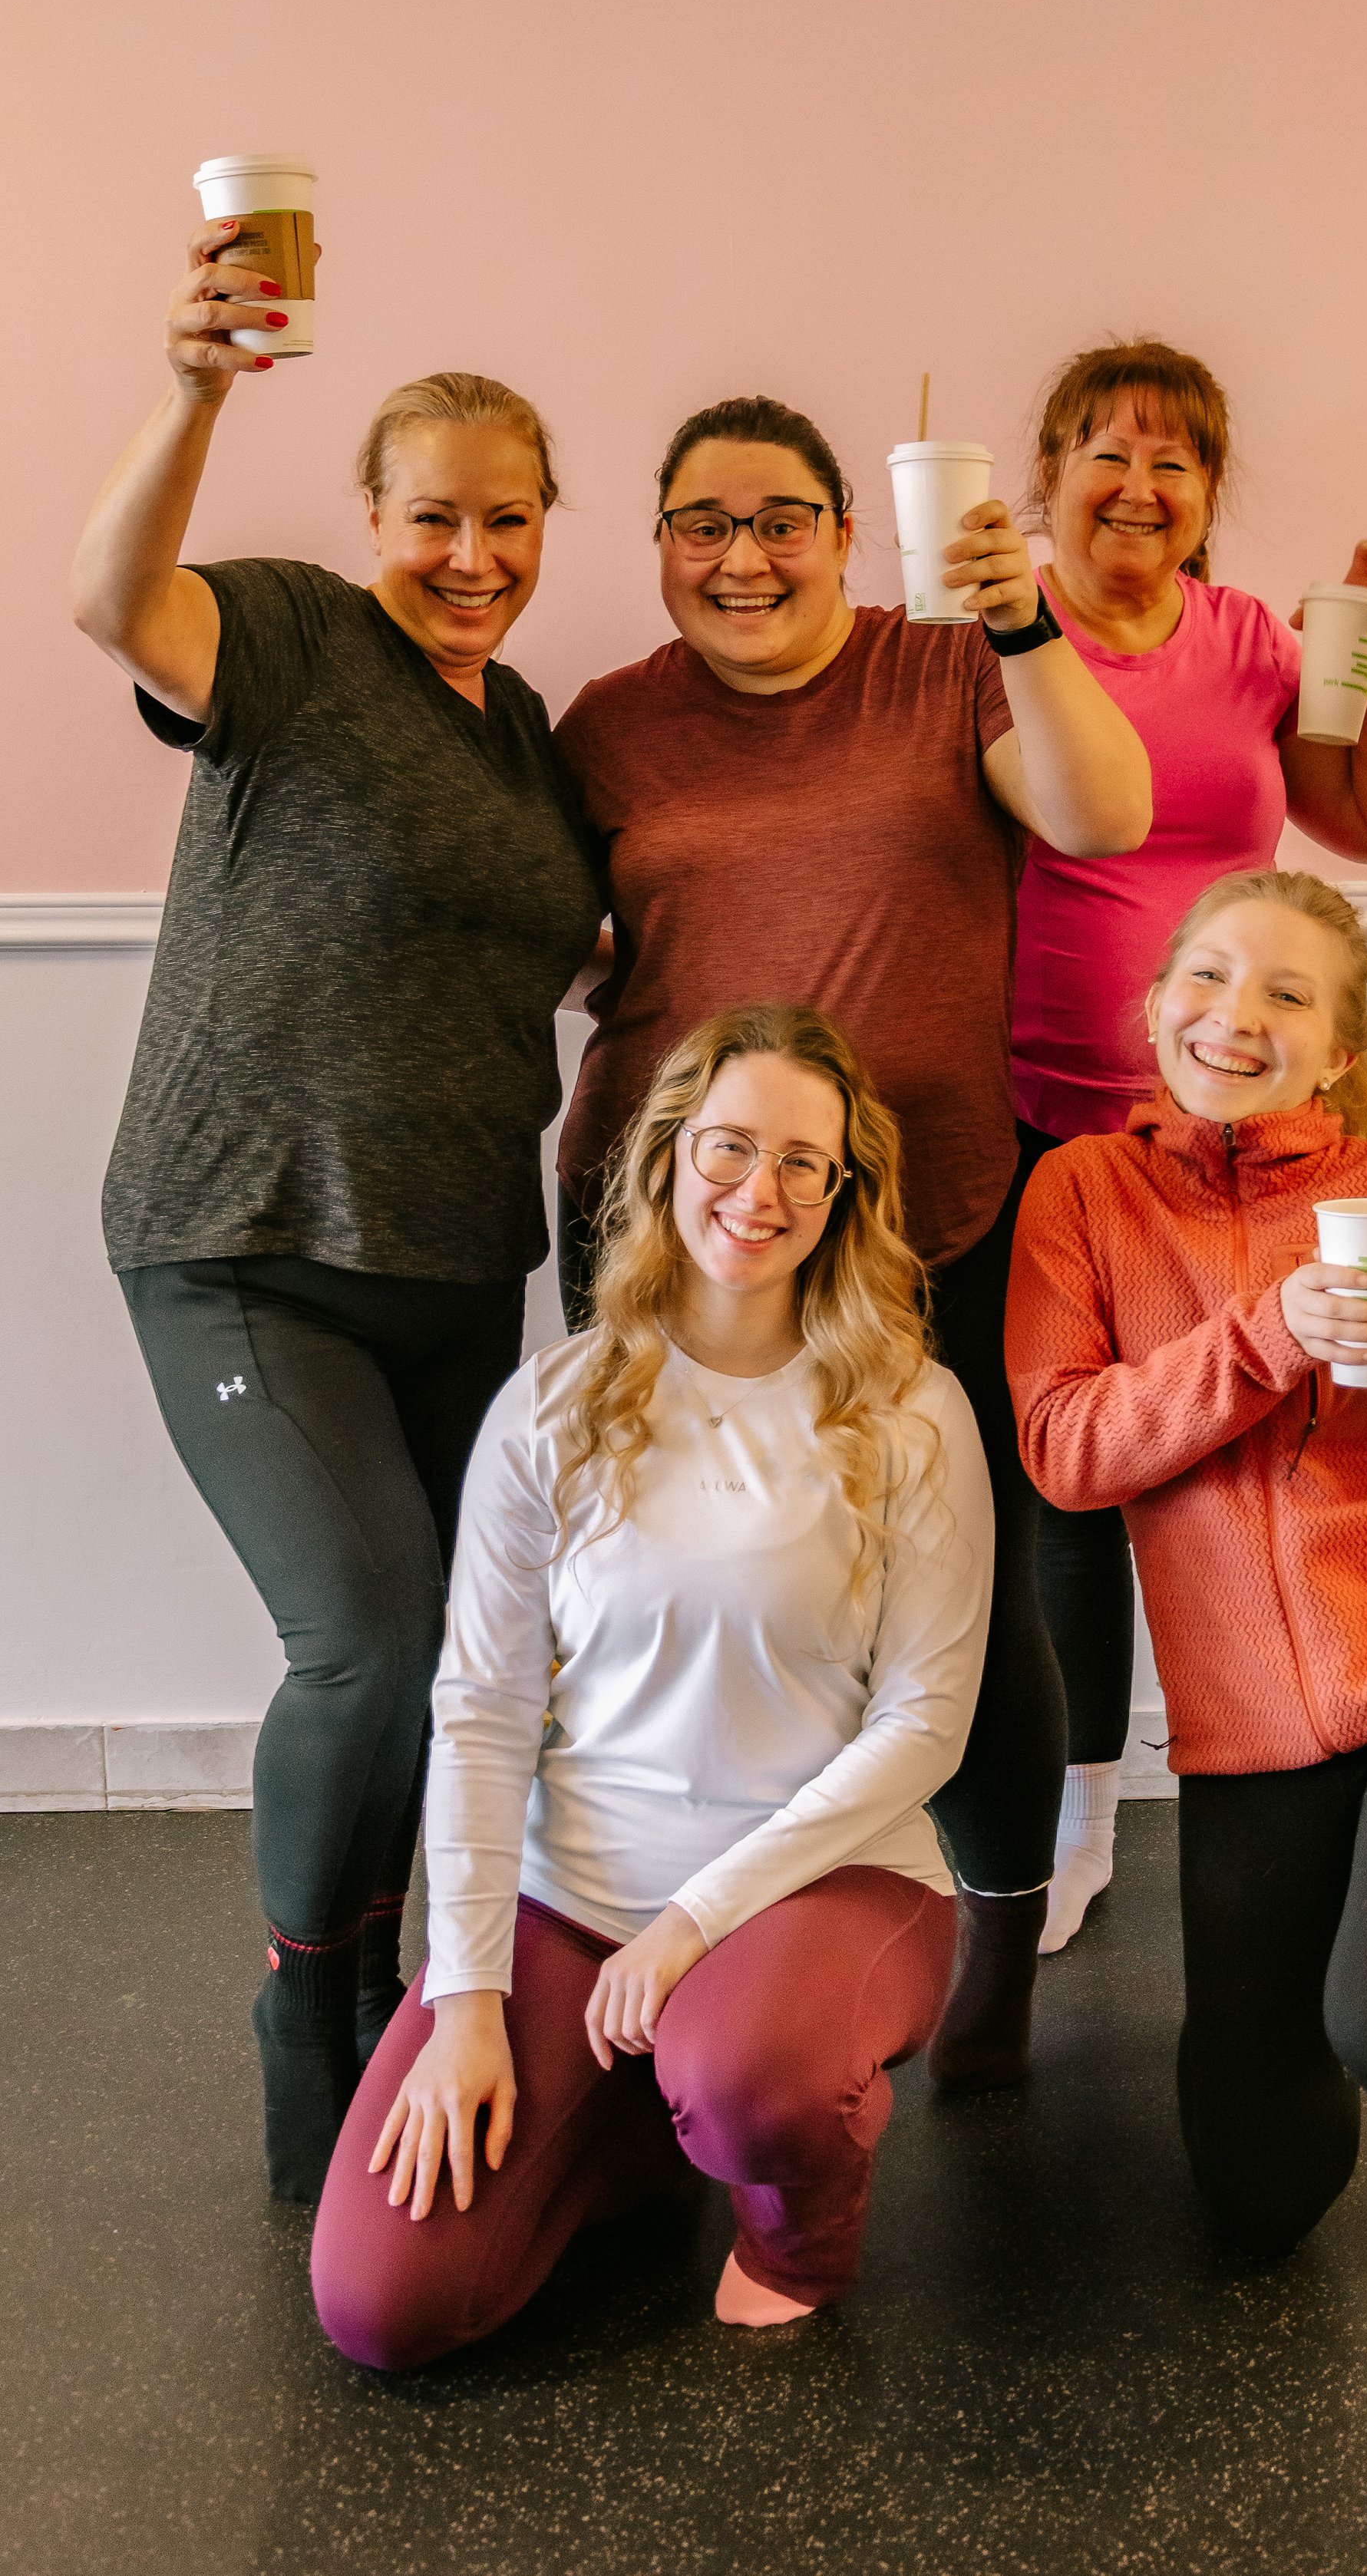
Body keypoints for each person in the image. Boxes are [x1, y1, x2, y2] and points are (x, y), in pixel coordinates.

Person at [68, 223, 606, 2198]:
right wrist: (199, 382)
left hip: (461, 1260)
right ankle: (312, 1990)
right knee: (368, 1640)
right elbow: (108, 594)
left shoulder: (526, 728)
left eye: (507, 523)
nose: (471, 558)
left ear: (547, 525)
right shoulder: (292, 635)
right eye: (433, 520)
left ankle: (421, 1982)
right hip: (244, 1244)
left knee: (480, 1652)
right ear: (371, 514)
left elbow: (560, 947)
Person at [551, 394, 1151, 2091]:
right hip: (670, 1238)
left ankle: (996, 1957)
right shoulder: (605, 728)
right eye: (701, 526)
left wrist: (1022, 614)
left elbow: (1100, 815)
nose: (741, 559)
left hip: (924, 1218)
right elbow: (550, 933)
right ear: (660, 544)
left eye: (780, 520)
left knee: (972, 1605)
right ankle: (673, 1937)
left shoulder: (945, 663)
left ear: (843, 528)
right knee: (669, 1596)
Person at [309, 1005, 992, 2364]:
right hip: (576, 1896)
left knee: (752, 2081)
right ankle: (646, 2119)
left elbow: (928, 1723)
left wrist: (691, 1923)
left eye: (809, 1162)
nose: (764, 1191)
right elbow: (485, 1712)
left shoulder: (914, 1409)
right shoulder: (552, 1405)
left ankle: (789, 2222)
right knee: (384, 2305)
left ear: (846, 1195)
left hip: (825, 1881)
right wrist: (463, 2000)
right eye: (730, 1147)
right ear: (669, 1157)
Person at [1007, 869, 1367, 2273]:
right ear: (1154, 1007)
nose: (1235, 1015)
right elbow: (1065, 1449)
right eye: (1207, 978)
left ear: (1338, 1051)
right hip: (1246, 1742)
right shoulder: (1081, 1190)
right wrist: (1269, 1332)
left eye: (1287, 993)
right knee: (1260, 2192)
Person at [1012, 337, 1367, 1951]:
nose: (1137, 486)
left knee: (1255, 1458)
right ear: (1045, 473)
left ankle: (1296, 1763)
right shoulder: (990, 636)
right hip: (1044, 1119)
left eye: (1173, 461)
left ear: (1205, 496)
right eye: (1105, 454)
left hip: (1230, 1128)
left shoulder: (1255, 639)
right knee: (1067, 1487)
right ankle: (1072, 1817)